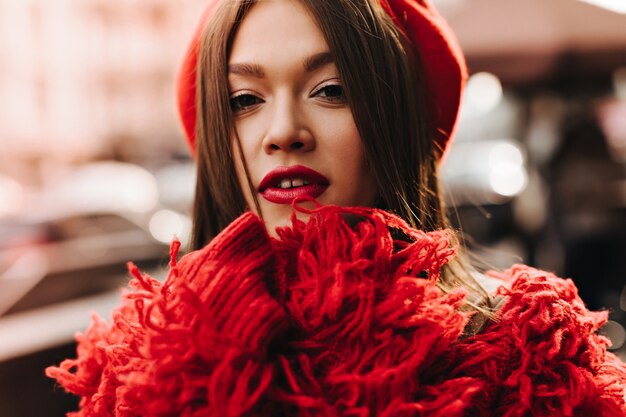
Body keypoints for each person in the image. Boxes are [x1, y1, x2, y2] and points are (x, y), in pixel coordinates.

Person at [47, 0, 626, 416]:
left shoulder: (528, 356)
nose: (283, 132)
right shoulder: (135, 370)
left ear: (395, 125)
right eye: (245, 100)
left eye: (331, 89)